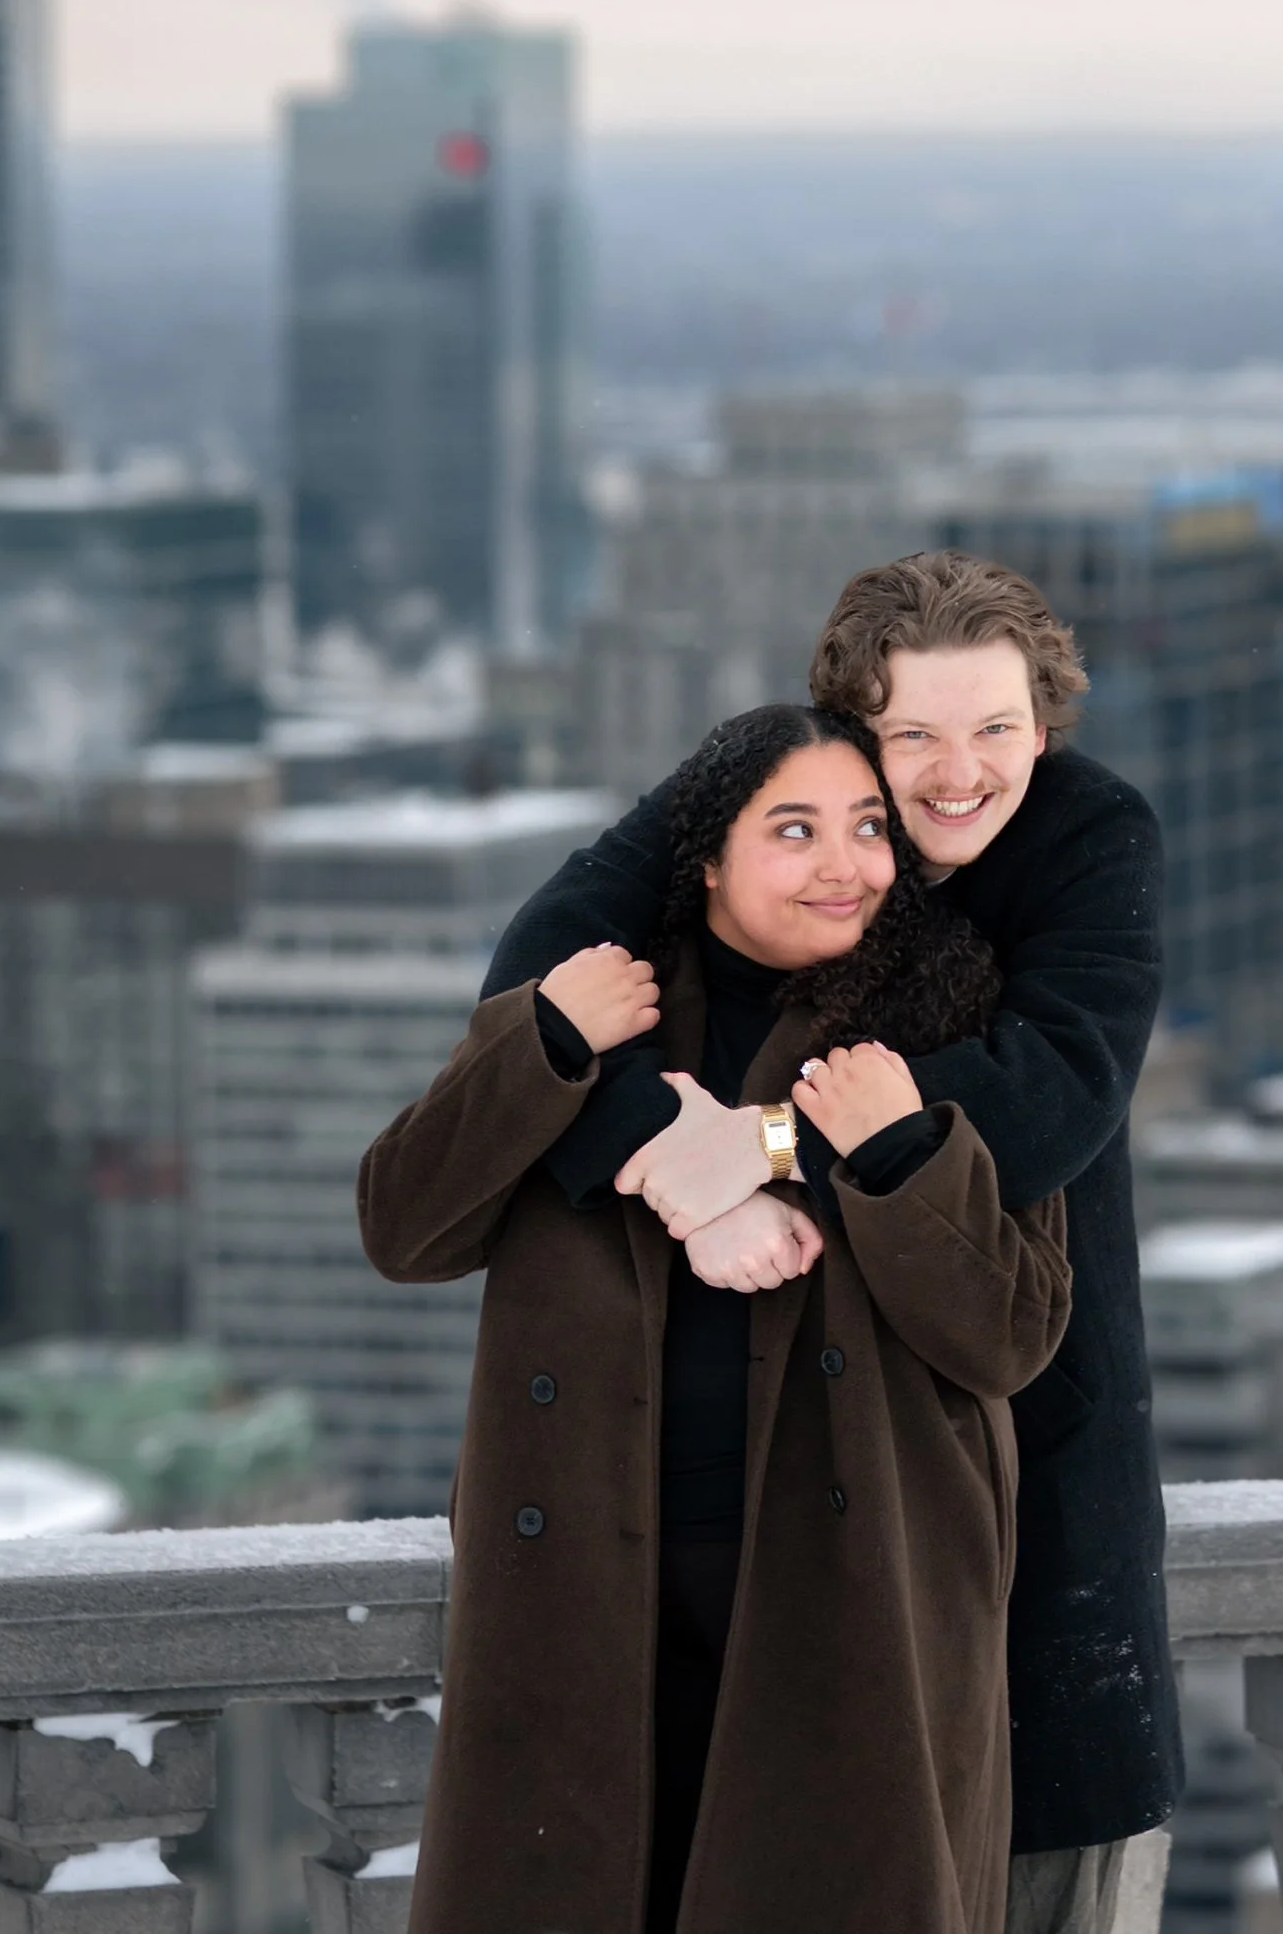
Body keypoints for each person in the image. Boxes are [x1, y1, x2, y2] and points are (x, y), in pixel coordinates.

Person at [485, 551, 1183, 1934]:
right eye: (913, 733)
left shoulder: (1095, 835)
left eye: (995, 729)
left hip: (1027, 1400)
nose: (955, 775)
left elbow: (1048, 1106)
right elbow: (530, 992)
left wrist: (752, 1147)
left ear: (1046, 722)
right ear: (855, 724)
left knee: (1046, 1827)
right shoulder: (772, 799)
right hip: (777, 1469)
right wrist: (674, 1164)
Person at [360, 701, 1070, 1934]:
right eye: (792, 829)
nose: (842, 865)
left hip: (846, 1596)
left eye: (865, 828)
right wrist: (543, 1041)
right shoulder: (593, 1021)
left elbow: (1009, 1334)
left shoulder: (941, 1037)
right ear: (704, 860)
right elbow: (405, 1225)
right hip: (582, 1590)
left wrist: (896, 1154)